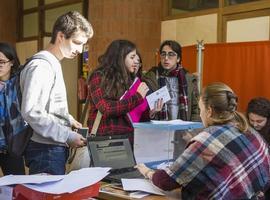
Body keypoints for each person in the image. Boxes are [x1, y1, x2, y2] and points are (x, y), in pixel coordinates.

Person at [136, 82, 270, 199]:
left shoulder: (207, 139)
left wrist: (147, 171)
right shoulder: (249, 130)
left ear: (209, 111)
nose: (200, 114)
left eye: (201, 109)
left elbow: (166, 182)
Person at [20, 11, 93, 175]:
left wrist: (68, 119)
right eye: (76, 42)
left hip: (49, 149)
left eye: (83, 45)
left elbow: (47, 107)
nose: (80, 50)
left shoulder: (51, 63)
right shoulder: (41, 66)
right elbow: (31, 111)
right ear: (61, 36)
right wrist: (67, 135)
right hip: (45, 151)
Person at [87, 39, 149, 144]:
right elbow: (106, 108)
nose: (136, 61)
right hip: (104, 139)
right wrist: (137, 97)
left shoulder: (131, 80)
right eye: (132, 57)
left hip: (127, 139)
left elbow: (135, 113)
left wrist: (151, 112)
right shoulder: (99, 76)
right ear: (120, 57)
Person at [143, 40, 199, 121]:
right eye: (163, 54)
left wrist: (192, 129)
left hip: (183, 128)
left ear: (178, 59)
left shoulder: (189, 78)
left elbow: (195, 108)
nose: (166, 58)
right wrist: (151, 113)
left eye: (171, 54)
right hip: (158, 128)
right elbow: (142, 108)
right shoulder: (151, 77)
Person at [0, 42, 25, 175]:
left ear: (12, 62)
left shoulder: (20, 83)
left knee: (17, 187)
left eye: (2, 61)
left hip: (13, 145)